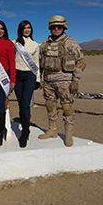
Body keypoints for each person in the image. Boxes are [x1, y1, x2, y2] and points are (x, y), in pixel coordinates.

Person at [39, 15, 86, 146]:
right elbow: (40, 62)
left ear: (64, 27)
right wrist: (40, 78)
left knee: (66, 107)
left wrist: (76, 79)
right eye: (54, 27)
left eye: (59, 27)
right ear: (50, 28)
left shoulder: (70, 42)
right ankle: (52, 130)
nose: (56, 29)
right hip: (49, 81)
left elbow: (80, 62)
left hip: (65, 81)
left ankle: (69, 134)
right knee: (50, 105)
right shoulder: (44, 44)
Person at [13, 20, 40, 148]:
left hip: (29, 75)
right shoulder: (14, 43)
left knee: (25, 103)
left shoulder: (35, 45)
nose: (27, 30)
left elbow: (36, 63)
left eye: (29, 27)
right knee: (20, 103)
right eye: (24, 28)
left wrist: (38, 79)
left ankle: (25, 131)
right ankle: (26, 128)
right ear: (21, 29)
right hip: (17, 76)